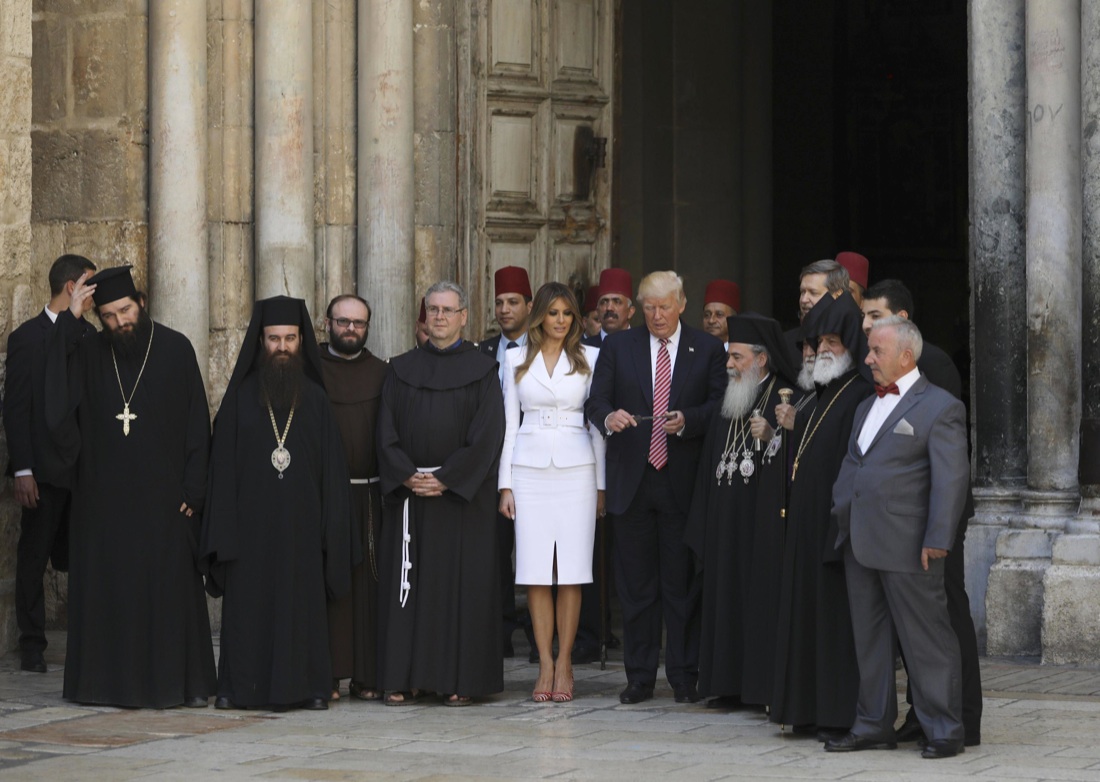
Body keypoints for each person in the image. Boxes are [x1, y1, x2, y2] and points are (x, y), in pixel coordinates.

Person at [45, 265, 216, 708]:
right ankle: (104, 686)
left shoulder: (176, 348)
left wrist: (194, 491)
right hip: (102, 503)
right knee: (109, 594)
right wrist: (72, 319)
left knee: (165, 594)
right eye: (109, 316)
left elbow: (198, 423)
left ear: (141, 302)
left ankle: (176, 685)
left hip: (165, 502)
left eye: (125, 310)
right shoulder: (86, 349)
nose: (120, 322)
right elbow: (56, 402)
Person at [827, 316, 969, 759]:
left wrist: (938, 537)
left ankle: (944, 728)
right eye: (869, 351)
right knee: (868, 640)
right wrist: (841, 513)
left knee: (925, 638)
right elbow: (856, 463)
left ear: (906, 356)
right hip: (860, 540)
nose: (867, 358)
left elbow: (951, 480)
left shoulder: (941, 406)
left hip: (911, 544)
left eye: (876, 351)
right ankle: (872, 724)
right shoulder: (865, 407)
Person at [202, 296, 352, 712]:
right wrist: (223, 533)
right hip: (249, 531)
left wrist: (330, 531)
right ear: (260, 341)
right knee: (247, 609)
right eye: (274, 339)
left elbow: (331, 476)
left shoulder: (317, 402)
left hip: (303, 529)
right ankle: (235, 688)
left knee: (302, 607)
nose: (282, 347)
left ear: (302, 340)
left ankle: (312, 688)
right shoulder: (239, 400)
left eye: (290, 338)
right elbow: (222, 472)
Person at [585, 270, 726, 705]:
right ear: (637, 307)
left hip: (681, 482)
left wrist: (690, 420)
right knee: (636, 587)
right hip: (633, 481)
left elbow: (720, 403)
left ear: (682, 304)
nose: (657, 315)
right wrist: (608, 419)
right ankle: (640, 677)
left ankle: (685, 675)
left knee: (680, 586)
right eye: (648, 307)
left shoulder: (705, 348)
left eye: (665, 306)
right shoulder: (619, 345)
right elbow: (596, 401)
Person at [860, 279, 982, 747]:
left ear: (903, 324)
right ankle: (920, 717)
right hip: (886, 532)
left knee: (939, 623)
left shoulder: (934, 371)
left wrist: (937, 532)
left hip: (928, 526)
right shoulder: (875, 376)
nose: (867, 325)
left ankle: (957, 722)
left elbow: (944, 463)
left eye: (876, 316)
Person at [376, 281, 505, 706]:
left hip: (461, 500)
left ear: (464, 316)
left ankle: (460, 681)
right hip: (411, 495)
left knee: (459, 589)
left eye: (449, 310)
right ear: (424, 316)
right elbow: (385, 430)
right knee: (409, 587)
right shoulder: (400, 368)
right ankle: (403, 676)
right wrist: (406, 474)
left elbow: (488, 436)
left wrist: (448, 477)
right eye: (433, 310)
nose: (440, 317)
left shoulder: (484, 372)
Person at [684, 314, 802, 709]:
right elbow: (709, 463)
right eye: (729, 357)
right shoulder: (730, 397)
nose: (729, 364)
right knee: (724, 598)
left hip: (760, 521)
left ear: (762, 359)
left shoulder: (785, 397)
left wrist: (773, 437)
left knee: (756, 600)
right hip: (723, 522)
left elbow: (798, 459)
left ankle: (759, 689)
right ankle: (727, 685)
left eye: (736, 357)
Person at [770, 291, 872, 738]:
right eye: (820, 341)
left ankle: (836, 714)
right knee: (806, 617)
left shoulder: (859, 394)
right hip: (807, 527)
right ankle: (805, 709)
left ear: (851, 343)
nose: (825, 350)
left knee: (834, 625)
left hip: (837, 531)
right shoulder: (821, 394)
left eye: (834, 340)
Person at [498, 282, 606, 703]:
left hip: (578, 470)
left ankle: (566, 663)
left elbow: (597, 426)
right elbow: (509, 423)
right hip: (528, 470)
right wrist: (504, 483)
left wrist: (601, 486)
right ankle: (544, 662)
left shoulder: (593, 357)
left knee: (572, 572)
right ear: (539, 315)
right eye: (553, 313)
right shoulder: (513, 358)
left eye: (567, 314)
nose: (560, 321)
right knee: (536, 572)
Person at [5, 254, 96, 673]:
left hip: (81, 471)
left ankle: (87, 639)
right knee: (34, 554)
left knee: (82, 553)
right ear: (71, 287)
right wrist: (23, 469)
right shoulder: (28, 336)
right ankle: (32, 644)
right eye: (90, 286)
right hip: (43, 470)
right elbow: (16, 406)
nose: (94, 297)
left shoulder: (87, 335)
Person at [319, 294, 390, 702]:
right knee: (327, 584)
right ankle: (327, 672)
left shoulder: (383, 373)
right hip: (325, 497)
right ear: (326, 322)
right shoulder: (309, 369)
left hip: (368, 495)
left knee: (368, 585)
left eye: (358, 323)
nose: (350, 329)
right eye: (343, 321)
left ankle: (367, 675)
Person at [478, 266, 534, 658]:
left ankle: (538, 637)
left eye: (512, 302)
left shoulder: (548, 349)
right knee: (495, 555)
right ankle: (498, 634)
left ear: (530, 306)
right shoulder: (480, 353)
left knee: (534, 553)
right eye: (499, 302)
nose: (504, 309)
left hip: (534, 466)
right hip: (491, 470)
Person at [585, 267, 635, 347]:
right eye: (604, 302)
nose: (609, 308)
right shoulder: (583, 350)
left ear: (630, 311)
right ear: (597, 311)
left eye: (617, 301)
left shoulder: (644, 348)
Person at [700, 279, 741, 348]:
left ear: (733, 319)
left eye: (719, 315)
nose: (711, 320)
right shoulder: (695, 352)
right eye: (707, 315)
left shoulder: (742, 354)